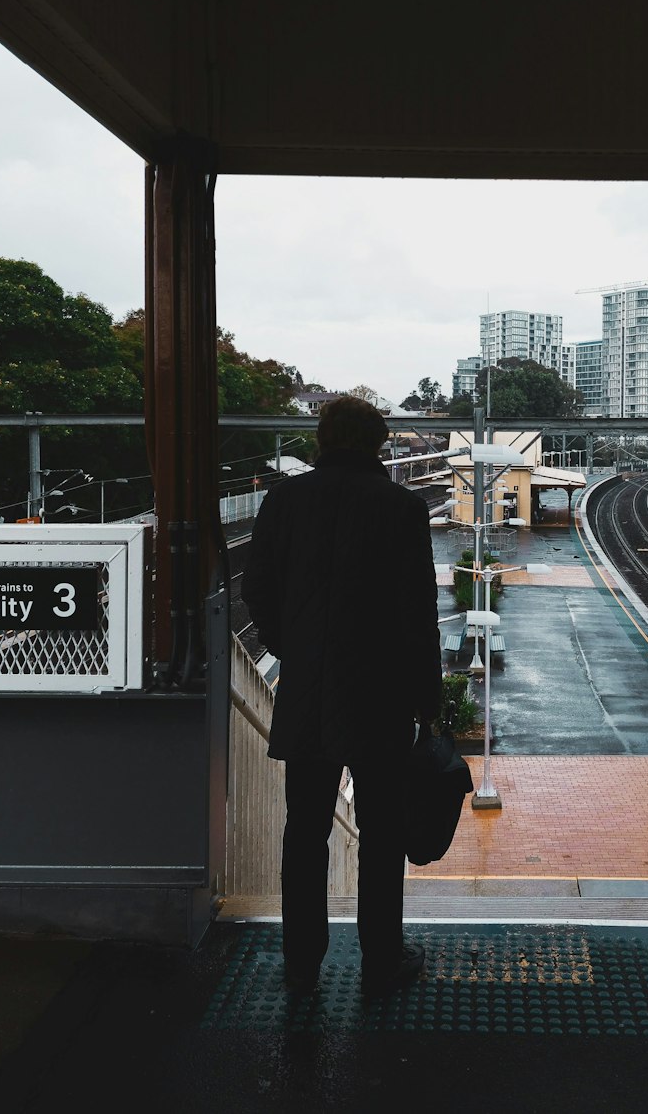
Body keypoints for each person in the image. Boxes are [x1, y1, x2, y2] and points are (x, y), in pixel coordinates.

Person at [242, 395, 442, 998]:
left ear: (323, 441)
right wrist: (427, 702)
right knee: (382, 832)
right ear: (379, 443)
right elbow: (417, 613)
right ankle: (382, 958)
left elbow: (256, 592)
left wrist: (295, 649)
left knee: (304, 831)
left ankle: (302, 963)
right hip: (380, 698)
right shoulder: (401, 508)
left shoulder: (284, 501)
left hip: (307, 693)